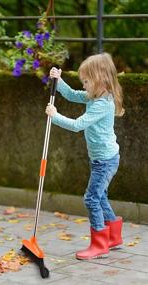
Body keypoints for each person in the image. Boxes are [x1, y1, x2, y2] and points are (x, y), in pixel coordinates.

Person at [45, 53, 124, 260]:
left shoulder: (102, 103)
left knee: (91, 199)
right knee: (100, 196)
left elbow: (78, 125)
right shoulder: (93, 96)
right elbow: (71, 94)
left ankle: (99, 245)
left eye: (87, 81)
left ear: (100, 79)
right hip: (100, 159)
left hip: (105, 161)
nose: (85, 85)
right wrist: (58, 80)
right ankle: (114, 237)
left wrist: (55, 116)